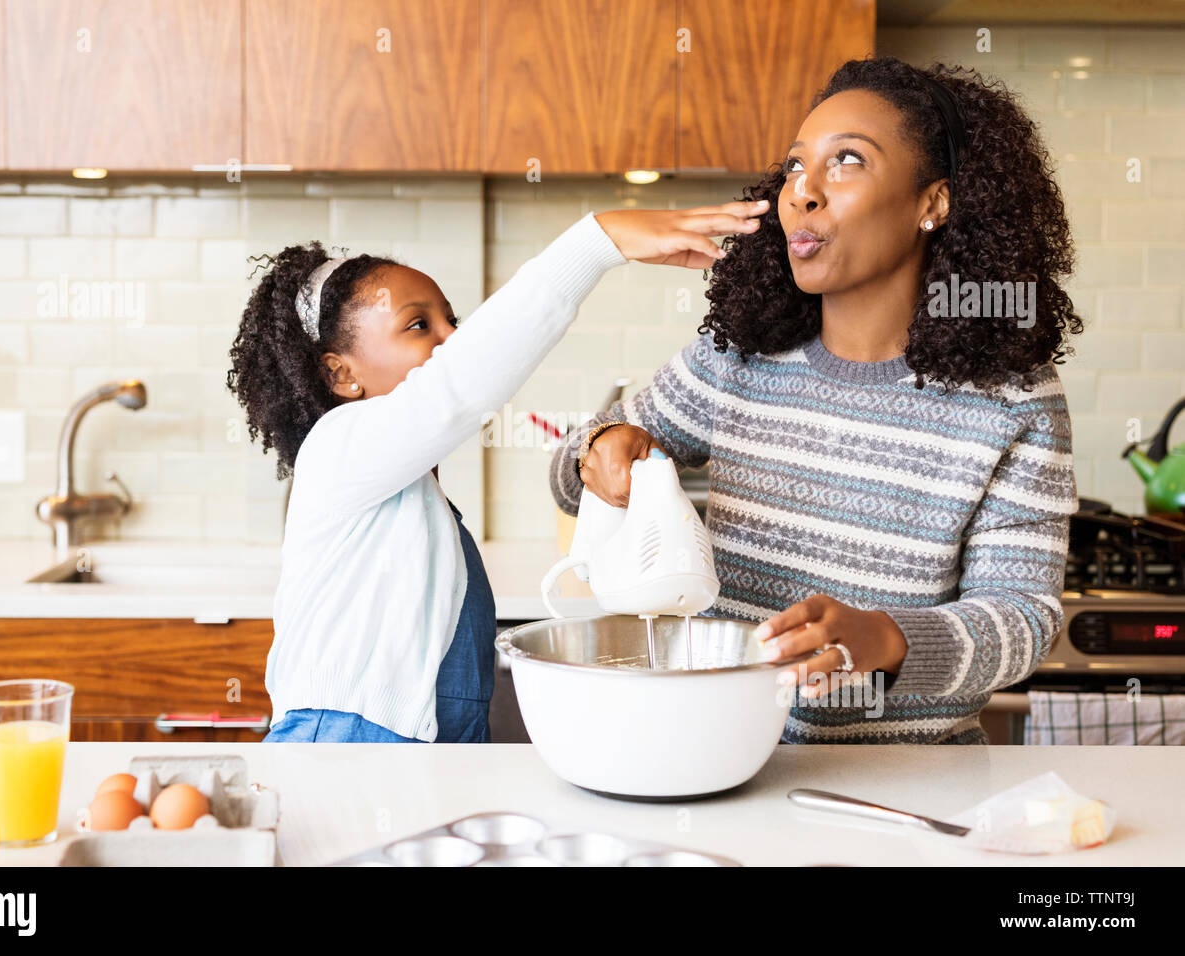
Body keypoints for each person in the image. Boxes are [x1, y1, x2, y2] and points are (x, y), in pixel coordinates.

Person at [551, 56, 1083, 744]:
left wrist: (885, 639)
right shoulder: (737, 357)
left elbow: (1023, 619)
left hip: (909, 795)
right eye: (796, 166)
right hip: (726, 765)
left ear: (934, 203)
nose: (803, 191)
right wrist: (600, 451)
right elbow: (572, 475)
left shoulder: (1014, 401)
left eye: (847, 161)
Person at [228, 201, 768, 742]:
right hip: (345, 749)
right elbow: (459, 383)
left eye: (452, 322)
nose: (452, 339)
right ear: (341, 374)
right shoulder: (334, 449)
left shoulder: (420, 505)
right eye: (418, 325)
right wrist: (596, 243)